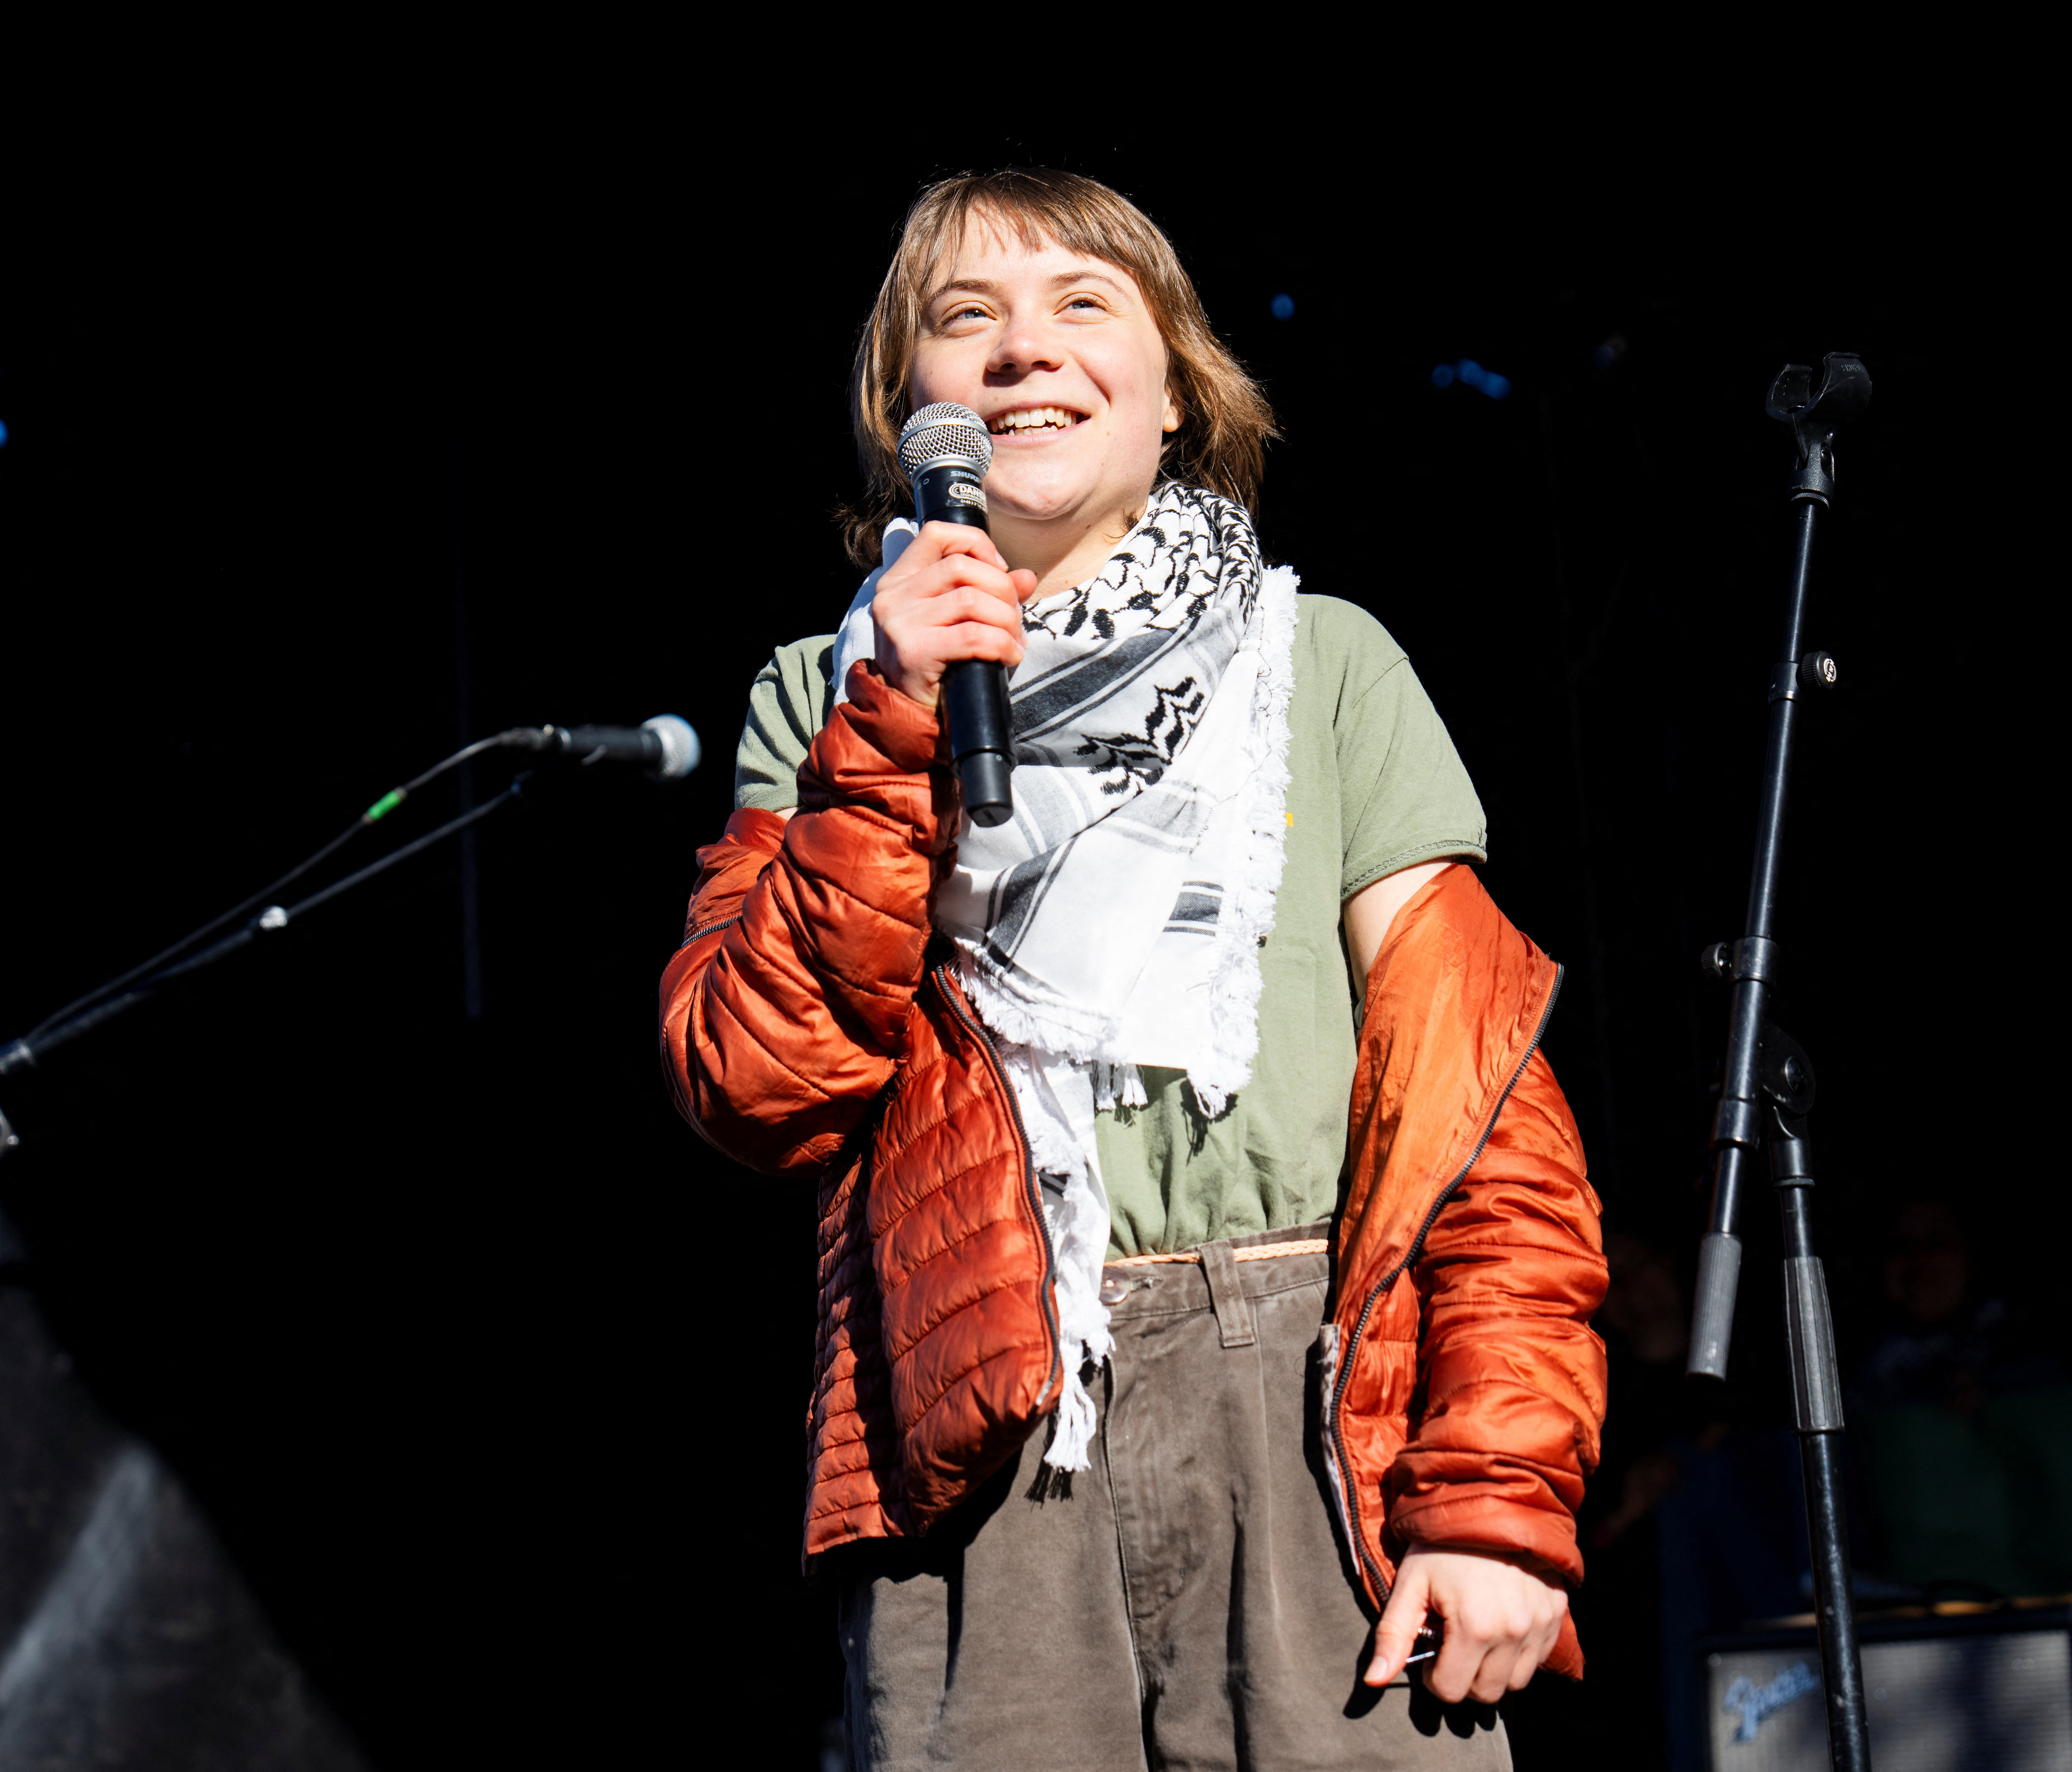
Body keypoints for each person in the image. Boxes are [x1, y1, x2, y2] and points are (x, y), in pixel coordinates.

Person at [659, 168, 1608, 1769]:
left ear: (1176, 395)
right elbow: (757, 1084)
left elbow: (1481, 1108)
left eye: (1082, 305)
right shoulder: (814, 697)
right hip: (981, 1414)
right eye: (968, 320)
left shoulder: (1323, 662)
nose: (1026, 350)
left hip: (1317, 1398)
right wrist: (890, 716)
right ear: (912, 416)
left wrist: (1501, 1493)